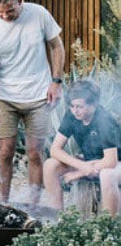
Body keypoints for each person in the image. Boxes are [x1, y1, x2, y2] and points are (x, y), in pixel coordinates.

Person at [0, 0, 64, 202]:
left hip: (38, 96)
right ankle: (2, 203)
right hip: (5, 98)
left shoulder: (39, 14)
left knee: (35, 152)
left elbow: (57, 46)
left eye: (10, 11)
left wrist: (56, 81)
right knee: (5, 152)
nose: (5, 16)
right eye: (0, 12)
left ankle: (34, 205)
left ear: (20, 2)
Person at [42, 80, 121, 215]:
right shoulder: (72, 115)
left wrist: (80, 172)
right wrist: (82, 166)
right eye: (72, 106)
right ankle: (55, 216)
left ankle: (108, 226)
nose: (75, 111)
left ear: (94, 104)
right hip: (89, 161)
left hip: (116, 164)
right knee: (50, 165)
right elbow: (55, 149)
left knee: (107, 175)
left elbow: (110, 161)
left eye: (79, 106)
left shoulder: (105, 122)